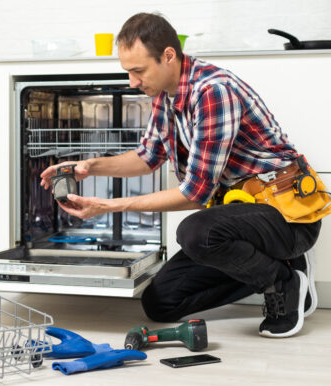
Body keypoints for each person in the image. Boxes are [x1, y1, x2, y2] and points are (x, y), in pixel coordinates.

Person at [39, 12, 324, 338]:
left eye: (138, 71)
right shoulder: (164, 94)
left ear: (168, 56)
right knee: (161, 302)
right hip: (240, 213)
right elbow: (147, 158)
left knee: (196, 231)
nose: (132, 81)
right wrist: (88, 167)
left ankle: (282, 281)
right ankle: (282, 267)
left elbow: (195, 194)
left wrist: (107, 206)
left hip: (286, 216)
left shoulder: (213, 92)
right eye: (128, 72)